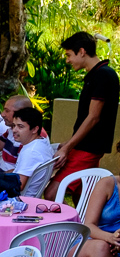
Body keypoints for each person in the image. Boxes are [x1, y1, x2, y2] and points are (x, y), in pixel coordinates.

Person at [48, 31, 120, 199]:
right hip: (87, 147)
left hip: (88, 148)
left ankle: (66, 226)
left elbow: (93, 117)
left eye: (69, 55)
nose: (67, 60)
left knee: (52, 193)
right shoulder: (98, 74)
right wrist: (69, 144)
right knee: (83, 196)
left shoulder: (103, 75)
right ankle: (85, 224)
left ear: (81, 51)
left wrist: (67, 147)